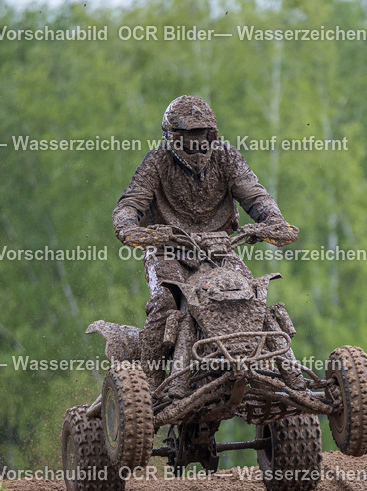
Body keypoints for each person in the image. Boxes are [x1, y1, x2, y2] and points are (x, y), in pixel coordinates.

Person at [112, 95, 299, 392]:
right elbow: (131, 201)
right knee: (164, 302)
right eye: (189, 138)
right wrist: (128, 226)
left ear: (213, 135)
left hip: (221, 250)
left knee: (251, 296)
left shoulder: (226, 157)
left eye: (204, 136)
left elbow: (255, 195)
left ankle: (283, 375)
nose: (198, 145)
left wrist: (273, 222)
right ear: (173, 138)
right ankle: (150, 383)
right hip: (167, 249)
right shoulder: (156, 162)